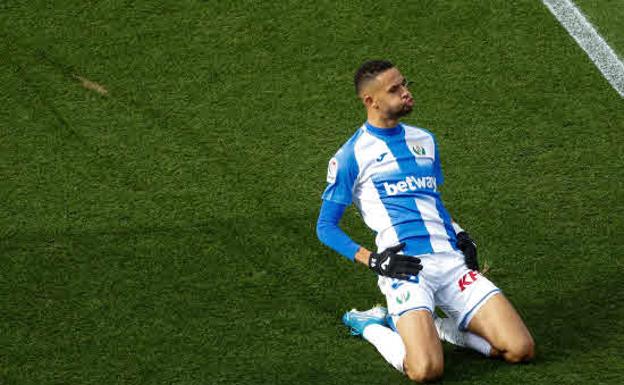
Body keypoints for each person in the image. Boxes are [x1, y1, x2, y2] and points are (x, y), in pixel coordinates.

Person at [316, 60, 534, 382]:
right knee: (426, 370)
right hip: (405, 269)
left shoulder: (424, 140)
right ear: (370, 101)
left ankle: (435, 327)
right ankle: (372, 326)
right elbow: (325, 227)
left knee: (520, 349)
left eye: (405, 84)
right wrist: (374, 260)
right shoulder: (352, 155)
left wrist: (460, 234)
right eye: (395, 90)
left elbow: (431, 201)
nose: (406, 93)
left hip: (450, 263)